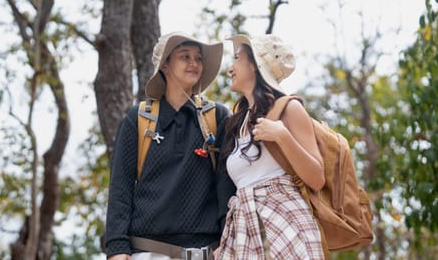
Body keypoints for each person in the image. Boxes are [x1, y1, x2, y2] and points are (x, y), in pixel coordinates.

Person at [105, 32, 236, 260]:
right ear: (165, 65)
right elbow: (121, 187)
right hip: (146, 251)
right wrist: (117, 247)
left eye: (198, 58)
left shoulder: (218, 117)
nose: (194, 63)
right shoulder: (138, 119)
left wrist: (228, 241)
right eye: (185, 56)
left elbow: (226, 187)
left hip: (206, 252)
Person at [214, 34, 326, 259]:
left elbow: (317, 178)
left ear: (254, 65)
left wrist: (282, 136)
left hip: (287, 228)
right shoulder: (236, 122)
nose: (230, 68)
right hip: (244, 233)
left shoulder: (289, 109)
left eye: (237, 58)